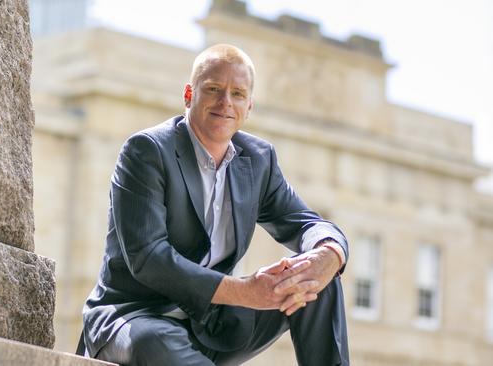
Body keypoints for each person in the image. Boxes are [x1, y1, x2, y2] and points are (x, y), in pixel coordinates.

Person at [78, 44, 349, 365]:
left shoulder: (258, 160)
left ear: (249, 106)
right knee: (157, 342)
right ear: (189, 94)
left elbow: (305, 223)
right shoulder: (147, 151)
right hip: (135, 317)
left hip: (212, 323)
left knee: (314, 283)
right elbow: (148, 258)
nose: (225, 102)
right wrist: (246, 291)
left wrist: (330, 252)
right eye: (214, 89)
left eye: (237, 94)